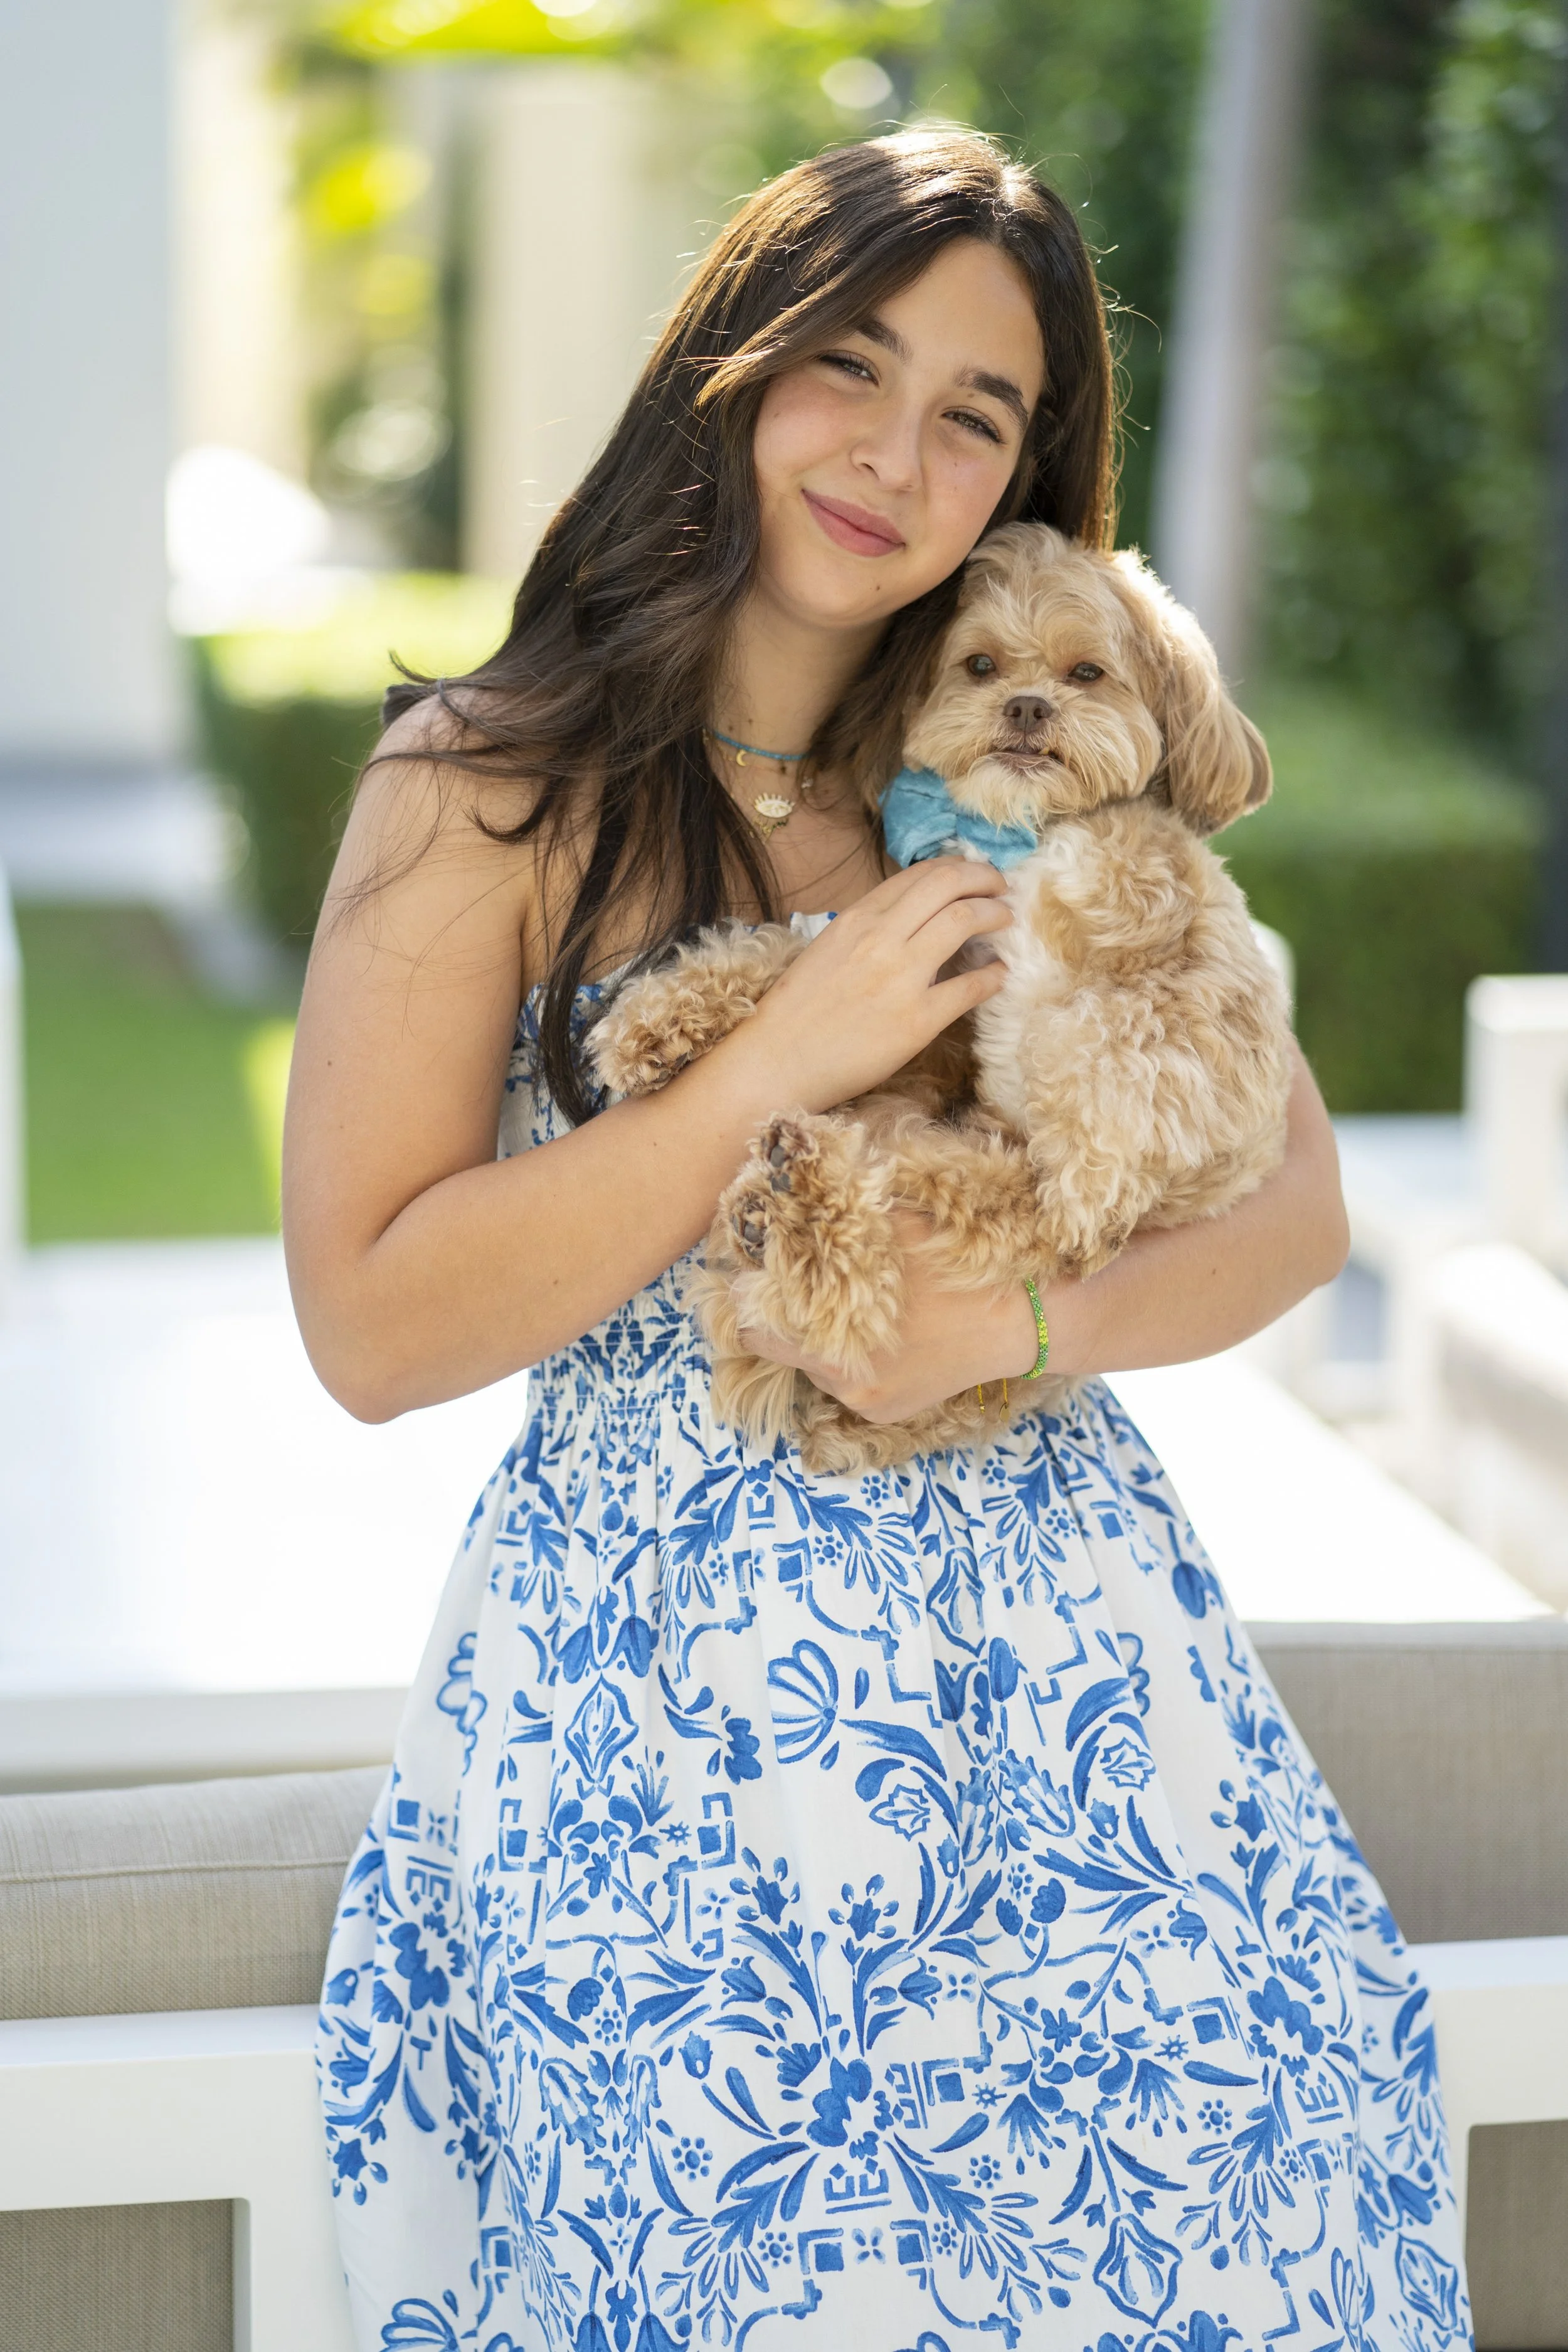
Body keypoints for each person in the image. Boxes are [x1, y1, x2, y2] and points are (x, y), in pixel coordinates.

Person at [293, 129, 1470, 2352]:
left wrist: (1026, 1315)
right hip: (665, 1725)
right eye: (848, 364)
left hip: (1088, 1701)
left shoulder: (1016, 765)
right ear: (730, 373)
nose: (893, 451)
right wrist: (761, 1063)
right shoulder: (480, 787)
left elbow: (1296, 1199)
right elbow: (366, 1319)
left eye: (977, 413)